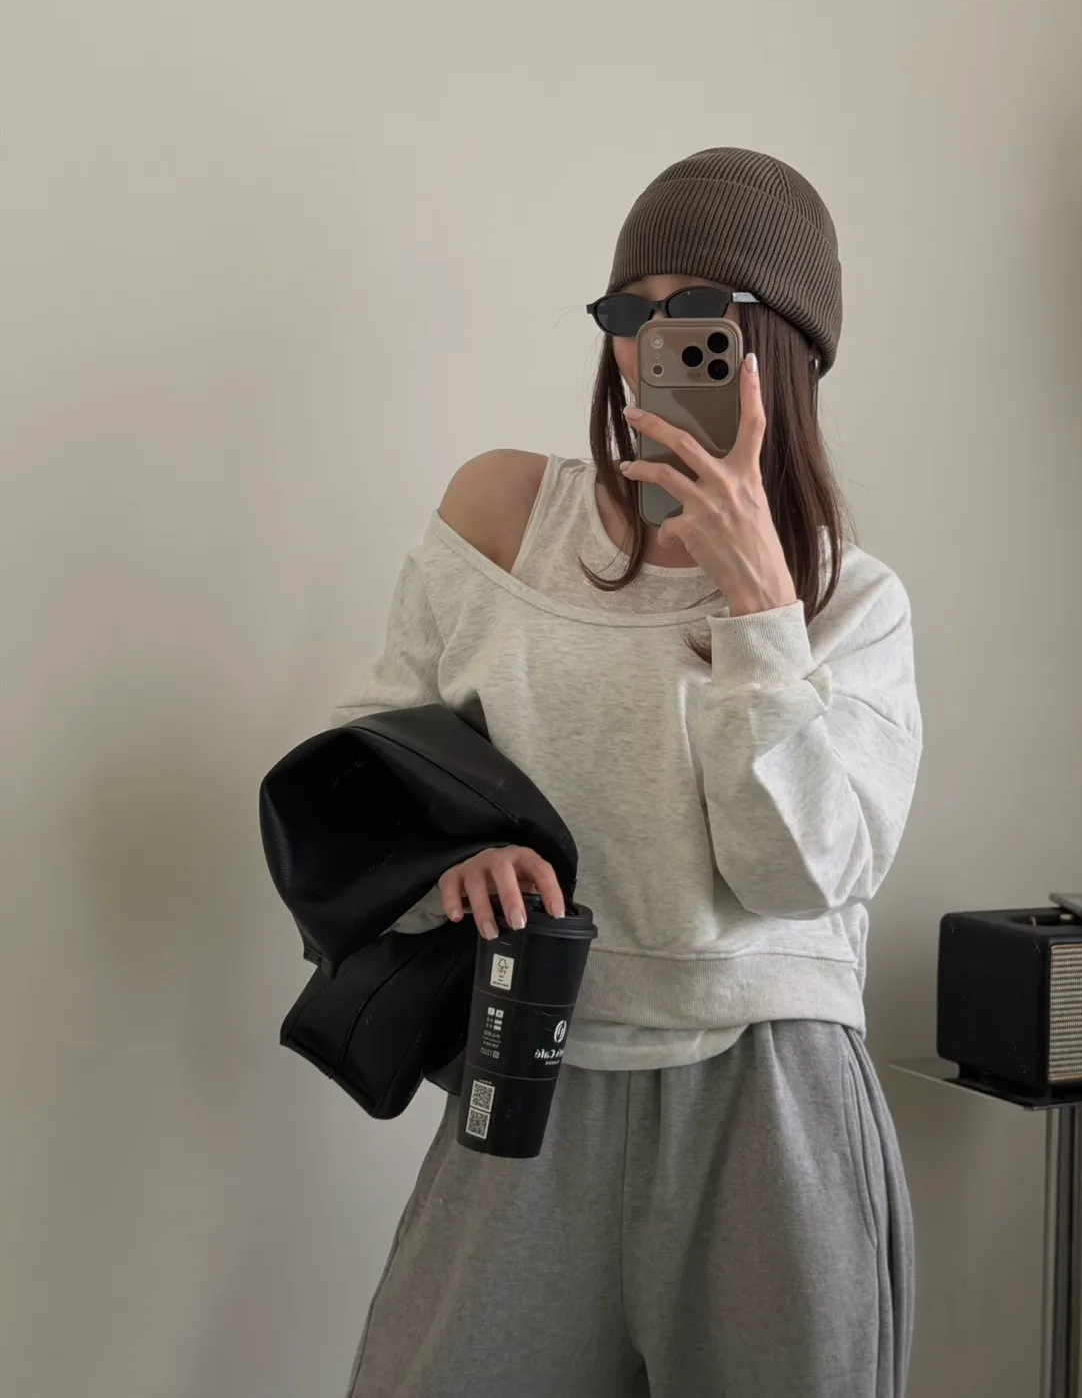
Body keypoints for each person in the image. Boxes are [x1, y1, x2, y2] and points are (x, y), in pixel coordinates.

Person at [329, 146, 923, 1398]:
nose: (650, 345)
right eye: (627, 312)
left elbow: (794, 875)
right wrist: (452, 860)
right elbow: (367, 768)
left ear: (779, 347)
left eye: (695, 314)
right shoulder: (501, 515)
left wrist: (760, 612)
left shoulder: (850, 606)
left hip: (769, 1094)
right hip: (533, 1058)